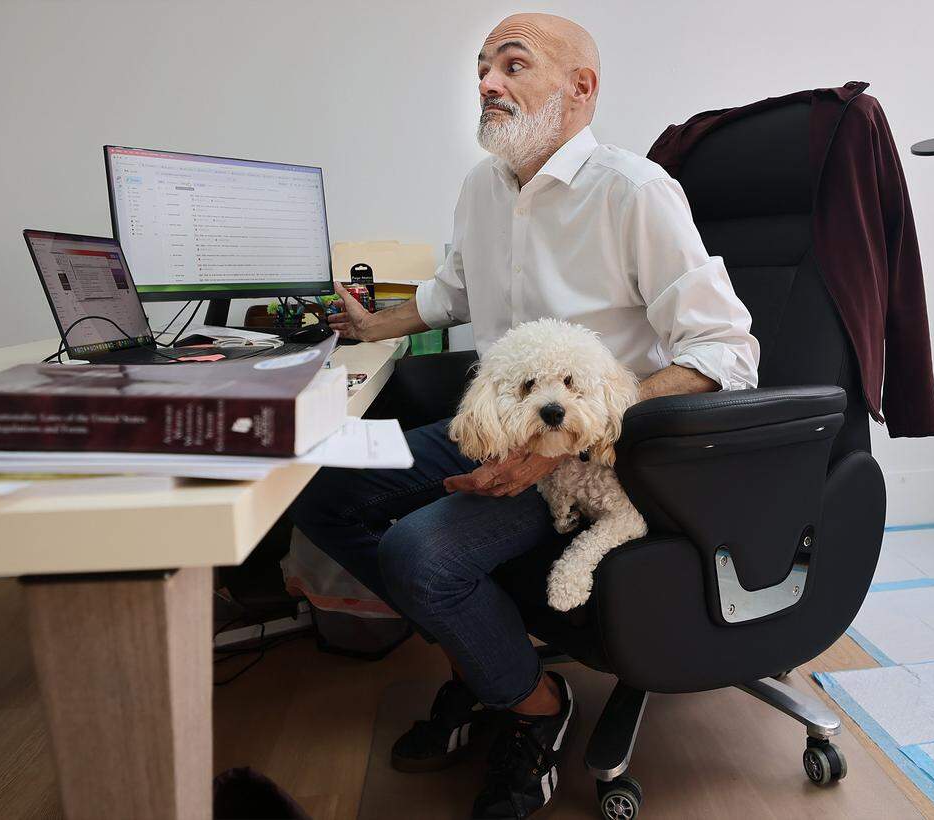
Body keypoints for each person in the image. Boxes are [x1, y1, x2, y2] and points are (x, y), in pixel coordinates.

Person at [290, 12, 759, 818]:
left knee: (419, 556)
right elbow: (453, 294)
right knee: (325, 492)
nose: (487, 84)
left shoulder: (634, 190)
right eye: (481, 68)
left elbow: (727, 350)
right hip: (501, 424)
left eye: (513, 65)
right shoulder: (483, 186)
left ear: (581, 89)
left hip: (602, 453)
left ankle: (535, 706)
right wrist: (373, 325)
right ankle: (486, 663)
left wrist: (558, 449)